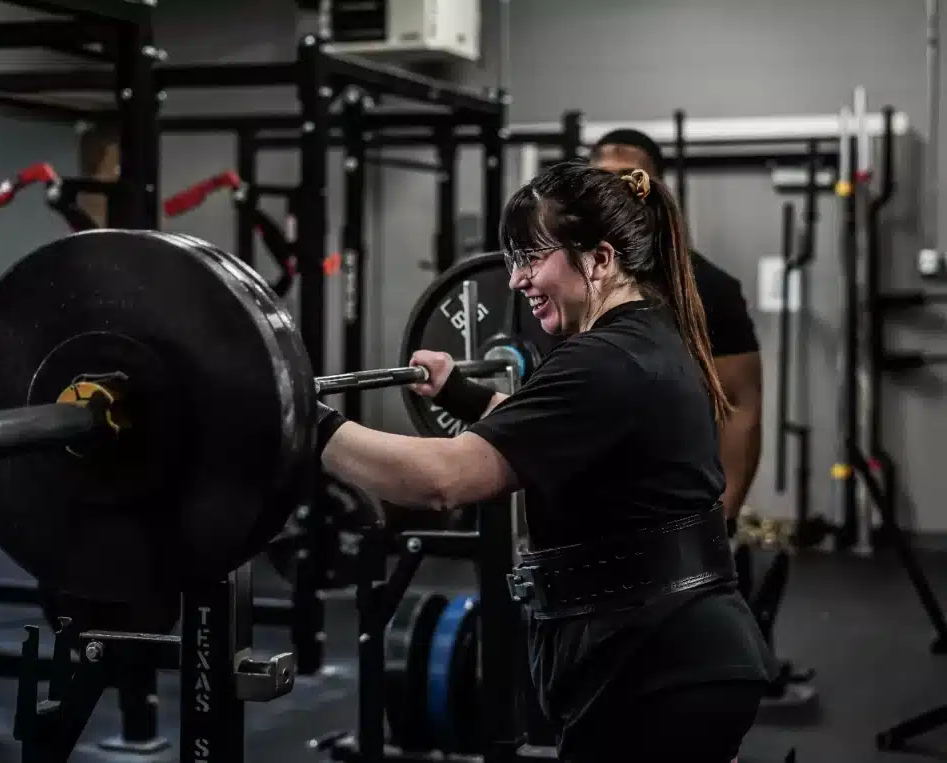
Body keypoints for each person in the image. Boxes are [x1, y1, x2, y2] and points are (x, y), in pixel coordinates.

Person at [315, 161, 777, 761]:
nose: (515, 279)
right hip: (674, 647)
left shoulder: (600, 360)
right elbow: (556, 428)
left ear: (601, 259)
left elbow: (442, 481)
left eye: (532, 257)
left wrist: (310, 423)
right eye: (512, 260)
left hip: (656, 664)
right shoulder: (647, 338)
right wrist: (463, 393)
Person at [590, 129, 763, 529]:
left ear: (652, 189)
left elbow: (738, 405)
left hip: (674, 507)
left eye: (629, 178)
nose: (615, 192)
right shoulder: (563, 281)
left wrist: (724, 514)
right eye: (603, 180)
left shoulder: (708, 288)